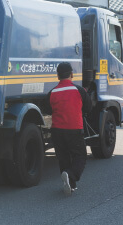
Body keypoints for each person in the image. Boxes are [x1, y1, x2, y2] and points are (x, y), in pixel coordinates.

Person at [45, 62, 92, 196]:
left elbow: (48, 109)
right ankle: (70, 175)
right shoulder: (79, 90)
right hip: (74, 129)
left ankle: (70, 185)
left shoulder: (52, 92)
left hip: (57, 130)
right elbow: (88, 108)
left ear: (58, 76)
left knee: (63, 157)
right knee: (80, 156)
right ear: (72, 74)